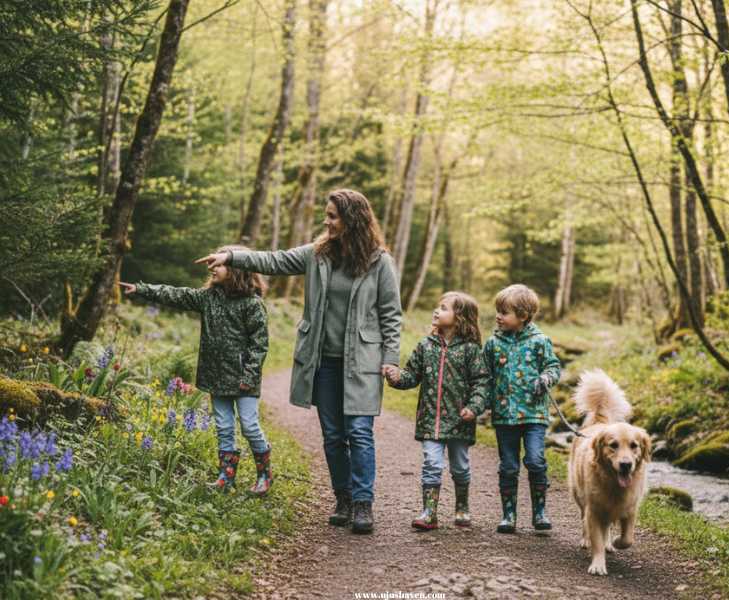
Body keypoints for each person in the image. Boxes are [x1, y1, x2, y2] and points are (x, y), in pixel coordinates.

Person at [196, 189, 402, 534]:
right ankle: (343, 498)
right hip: (322, 362)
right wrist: (231, 256)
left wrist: (390, 359)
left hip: (362, 361)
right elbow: (274, 261)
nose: (327, 221)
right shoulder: (316, 254)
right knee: (334, 435)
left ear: (352, 219)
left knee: (360, 433)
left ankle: (363, 503)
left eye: (333, 216)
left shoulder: (380, 262)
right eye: (326, 214)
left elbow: (391, 315)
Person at [120, 244, 272, 495]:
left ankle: (264, 475)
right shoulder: (208, 298)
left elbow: (259, 344)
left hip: (245, 379)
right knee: (223, 426)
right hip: (215, 375)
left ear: (238, 269)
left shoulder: (252, 304)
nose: (212, 267)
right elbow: (175, 294)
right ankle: (226, 476)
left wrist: (250, 374)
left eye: (219, 264)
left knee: (249, 426)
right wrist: (142, 289)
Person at [385, 292, 489, 530]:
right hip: (430, 420)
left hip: (460, 421)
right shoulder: (425, 345)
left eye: (443, 308)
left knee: (460, 467)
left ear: (460, 317)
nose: (436, 311)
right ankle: (429, 512)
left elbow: (482, 382)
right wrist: (396, 376)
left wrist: (474, 407)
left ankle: (462, 505)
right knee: (431, 463)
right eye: (437, 307)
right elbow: (412, 375)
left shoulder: (471, 350)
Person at [483, 284, 561, 533]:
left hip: (533, 414)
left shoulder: (540, 341)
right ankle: (508, 515)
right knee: (508, 466)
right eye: (498, 311)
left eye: (504, 312)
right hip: (504, 416)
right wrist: (480, 404)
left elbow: (553, 367)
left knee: (536, 460)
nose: (498, 316)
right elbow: (485, 377)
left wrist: (546, 379)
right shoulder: (493, 344)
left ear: (523, 316)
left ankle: (539, 512)